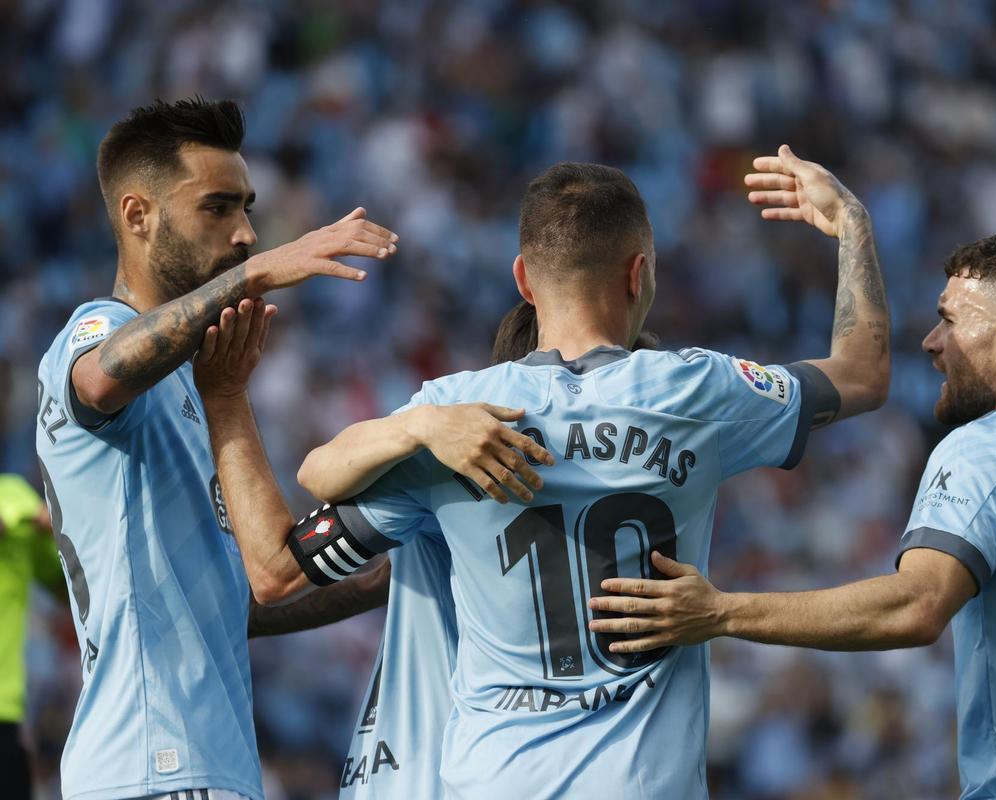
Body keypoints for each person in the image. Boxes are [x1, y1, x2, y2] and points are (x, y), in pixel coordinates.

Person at [193, 146, 890, 797]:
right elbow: (862, 374)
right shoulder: (698, 393)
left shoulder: (453, 419)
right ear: (639, 273)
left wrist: (230, 400)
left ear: (523, 280)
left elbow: (277, 571)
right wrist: (852, 223)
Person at [591, 228, 996, 798]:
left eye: (950, 321)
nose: (932, 343)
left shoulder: (992, 445)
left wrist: (722, 612)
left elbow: (919, 605)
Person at [33, 95, 410, 800]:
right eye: (218, 208)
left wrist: (387, 578)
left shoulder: (197, 383)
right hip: (154, 764)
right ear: (137, 216)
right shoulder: (97, 330)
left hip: (199, 766)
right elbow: (102, 371)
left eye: (247, 210)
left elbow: (239, 603)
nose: (245, 234)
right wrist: (264, 272)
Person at [291, 301, 660, 798]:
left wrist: (420, 428)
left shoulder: (436, 468)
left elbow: (283, 562)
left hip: (412, 770)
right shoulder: (640, 500)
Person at [0, 474, 58, 800]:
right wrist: (26, 510)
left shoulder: (9, 491)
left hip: (6, 711)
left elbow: (70, 588)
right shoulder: (14, 498)